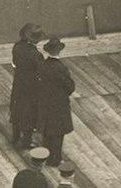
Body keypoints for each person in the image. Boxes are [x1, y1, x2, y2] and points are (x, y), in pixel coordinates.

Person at [36, 38, 75, 167]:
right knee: (58, 133)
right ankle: (55, 160)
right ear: (59, 51)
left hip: (44, 102)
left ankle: (45, 156)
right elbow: (70, 87)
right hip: (58, 104)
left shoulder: (42, 65)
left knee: (46, 131)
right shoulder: (61, 68)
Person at [10, 22, 43, 149]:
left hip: (19, 82)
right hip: (31, 86)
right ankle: (27, 141)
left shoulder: (17, 47)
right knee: (29, 112)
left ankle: (15, 137)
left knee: (17, 108)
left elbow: (15, 63)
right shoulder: (36, 55)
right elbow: (40, 70)